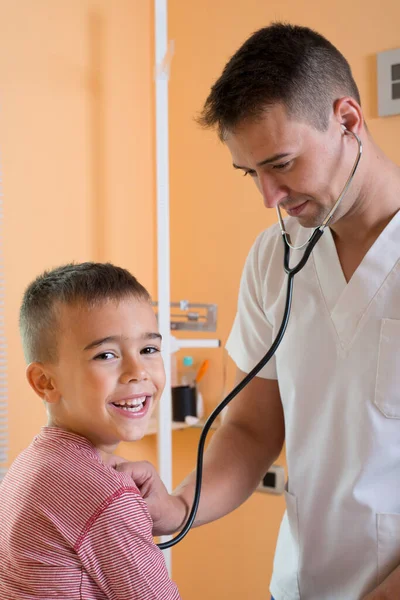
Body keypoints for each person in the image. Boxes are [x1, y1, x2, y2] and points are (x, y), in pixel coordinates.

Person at [122, 23, 400, 600]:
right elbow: (251, 429)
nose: (268, 197)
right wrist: (179, 506)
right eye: (252, 173)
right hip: (294, 585)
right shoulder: (275, 258)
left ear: (348, 121)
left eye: (282, 164)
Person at [0, 262, 180, 600]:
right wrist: (117, 502)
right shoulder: (105, 497)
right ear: (45, 382)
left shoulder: (29, 467)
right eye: (106, 355)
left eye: (149, 349)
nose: (137, 372)